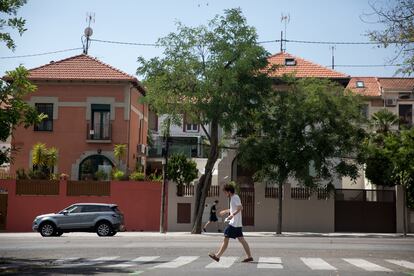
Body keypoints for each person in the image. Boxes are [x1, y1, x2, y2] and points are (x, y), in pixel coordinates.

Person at [208, 184, 253, 263]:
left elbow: (240, 208)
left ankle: (217, 256)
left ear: (229, 192)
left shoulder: (235, 197)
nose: (225, 194)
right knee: (242, 240)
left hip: (234, 223)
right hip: (237, 224)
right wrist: (226, 211)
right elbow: (234, 208)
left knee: (226, 238)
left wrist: (232, 215)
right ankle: (249, 256)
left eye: (225, 192)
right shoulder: (233, 198)